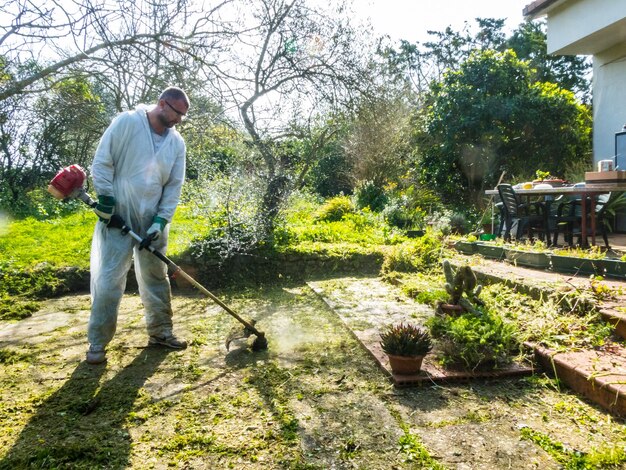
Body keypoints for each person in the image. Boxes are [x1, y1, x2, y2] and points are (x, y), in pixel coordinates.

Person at [86, 87, 190, 364]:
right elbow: (103, 162)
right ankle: (97, 342)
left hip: (152, 220)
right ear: (162, 104)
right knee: (109, 279)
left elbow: (174, 186)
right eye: (177, 113)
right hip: (117, 215)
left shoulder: (176, 144)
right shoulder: (127, 123)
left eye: (183, 116)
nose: (179, 120)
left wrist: (160, 221)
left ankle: (161, 332)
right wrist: (107, 201)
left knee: (156, 277)